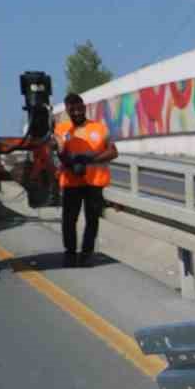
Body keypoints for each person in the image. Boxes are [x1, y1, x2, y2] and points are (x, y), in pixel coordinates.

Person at [53, 92, 118, 267]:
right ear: (67, 111)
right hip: (71, 182)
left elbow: (113, 151)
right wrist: (70, 163)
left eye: (78, 108)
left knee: (92, 220)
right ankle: (70, 254)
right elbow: (59, 151)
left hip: (94, 183)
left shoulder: (99, 128)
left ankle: (87, 254)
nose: (76, 112)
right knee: (69, 220)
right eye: (71, 109)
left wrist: (90, 160)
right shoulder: (61, 129)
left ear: (84, 107)